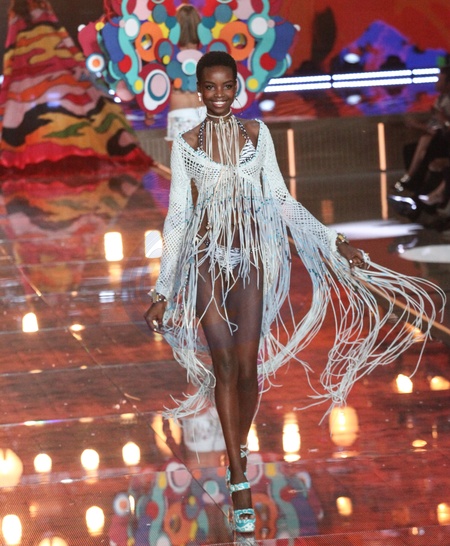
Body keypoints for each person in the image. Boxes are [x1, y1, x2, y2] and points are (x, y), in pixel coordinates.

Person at [144, 51, 444, 535]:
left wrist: (333, 240)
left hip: (251, 260)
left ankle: (239, 448)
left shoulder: (257, 136)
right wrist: (163, 288)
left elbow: (282, 200)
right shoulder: (186, 145)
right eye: (210, 87)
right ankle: (238, 476)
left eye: (226, 86)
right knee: (224, 366)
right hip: (205, 262)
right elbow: (178, 217)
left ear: (236, 87)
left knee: (248, 371)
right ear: (199, 91)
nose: (218, 95)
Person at [394, 66, 450, 192]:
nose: (436, 83)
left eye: (439, 80)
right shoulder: (441, 99)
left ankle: (411, 179)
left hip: (445, 139)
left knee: (426, 144)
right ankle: (414, 184)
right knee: (410, 149)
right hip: (439, 136)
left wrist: (420, 125)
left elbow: (443, 125)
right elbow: (434, 123)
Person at [164, 4, 206, 144]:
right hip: (204, 111)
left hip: (179, 110)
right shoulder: (208, 53)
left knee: (181, 158)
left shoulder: (167, 53)